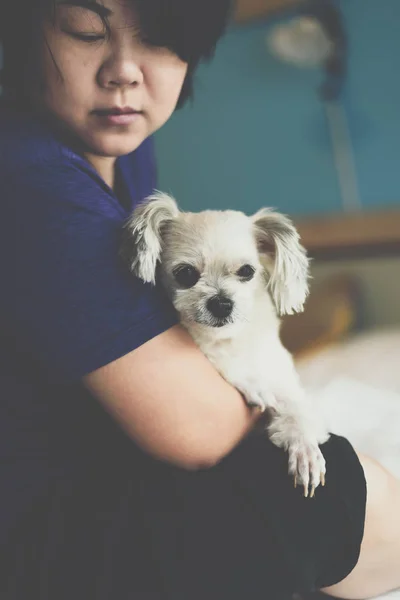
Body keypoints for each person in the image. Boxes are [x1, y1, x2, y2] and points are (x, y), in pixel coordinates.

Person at [0, 1, 399, 598]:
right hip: (36, 532)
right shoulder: (30, 177)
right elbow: (194, 430)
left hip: (95, 454)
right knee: (343, 492)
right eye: (88, 32)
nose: (125, 72)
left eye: (161, 41)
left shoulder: (125, 153)